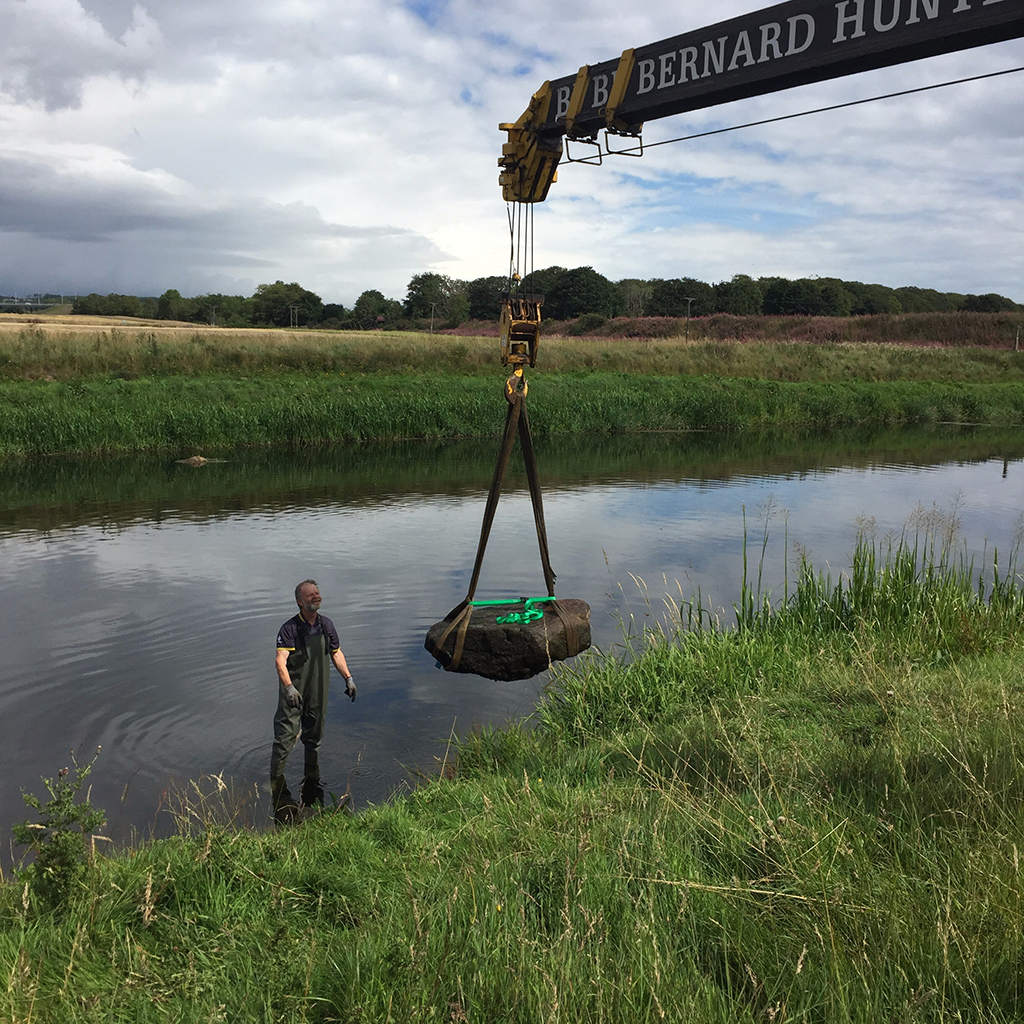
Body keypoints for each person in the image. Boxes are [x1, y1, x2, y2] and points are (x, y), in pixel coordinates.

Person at [271, 579, 355, 821]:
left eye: (317, 593)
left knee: (314, 735)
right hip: (294, 692)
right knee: (285, 736)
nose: (316, 597)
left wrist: (348, 678)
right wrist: (288, 687)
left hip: (318, 689)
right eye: (310, 595)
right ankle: (275, 784)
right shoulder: (289, 629)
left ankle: (312, 779)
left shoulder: (326, 625)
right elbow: (280, 661)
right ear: (300, 601)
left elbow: (336, 653)